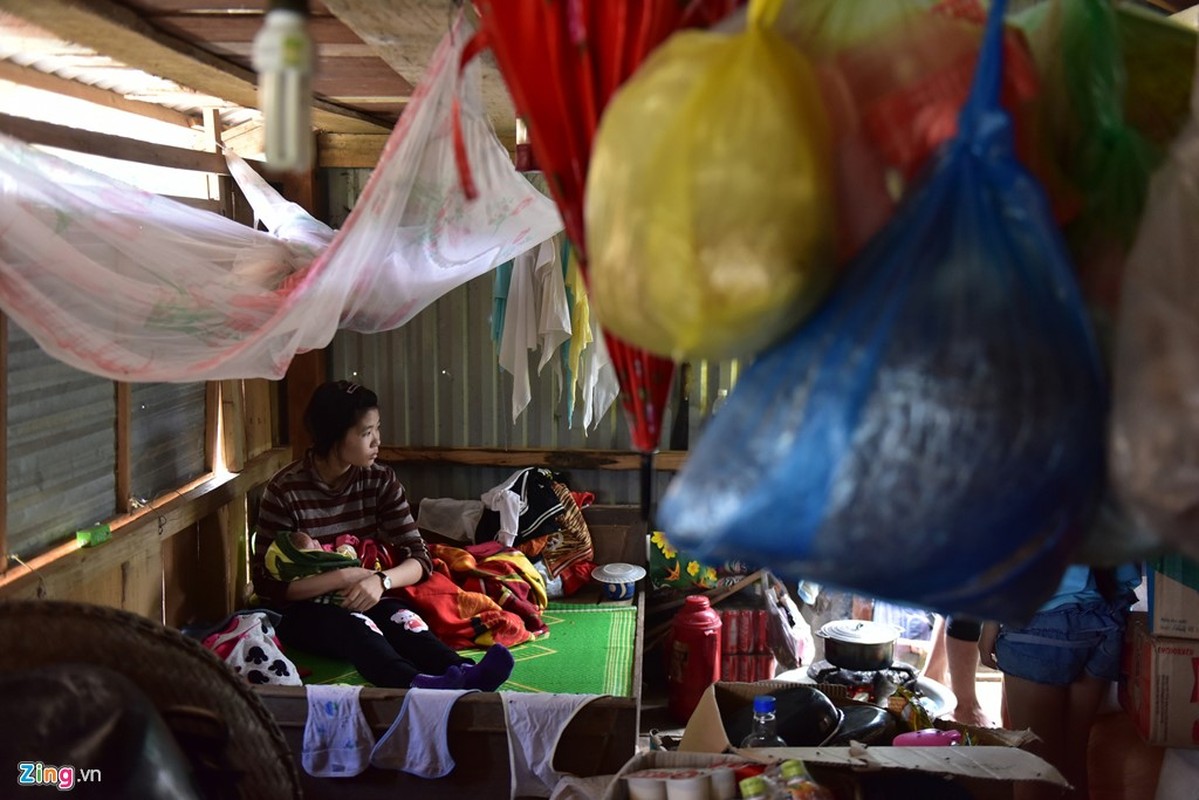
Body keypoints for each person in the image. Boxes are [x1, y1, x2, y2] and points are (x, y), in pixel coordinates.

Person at [252, 379, 514, 691]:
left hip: (368, 591)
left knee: (401, 617)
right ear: (334, 435)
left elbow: (419, 557)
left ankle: (463, 670)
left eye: (377, 428)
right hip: (304, 612)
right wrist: (344, 577)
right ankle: (416, 685)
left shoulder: (379, 480)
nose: (377, 440)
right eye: (366, 433)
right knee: (355, 626)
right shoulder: (285, 490)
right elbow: (270, 586)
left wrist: (381, 581)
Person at [978, 563, 1142, 800]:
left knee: (1034, 768)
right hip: (1103, 620)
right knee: (1073, 761)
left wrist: (990, 625)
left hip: (1039, 620)